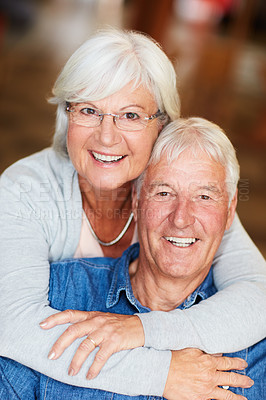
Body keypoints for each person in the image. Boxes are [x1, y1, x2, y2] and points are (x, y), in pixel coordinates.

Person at [0, 28, 265, 396]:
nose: (106, 137)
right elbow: (12, 327)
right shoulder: (25, 189)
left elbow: (259, 299)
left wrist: (142, 331)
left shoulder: (178, 193)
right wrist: (164, 374)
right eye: (90, 110)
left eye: (130, 115)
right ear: (67, 114)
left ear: (162, 124)